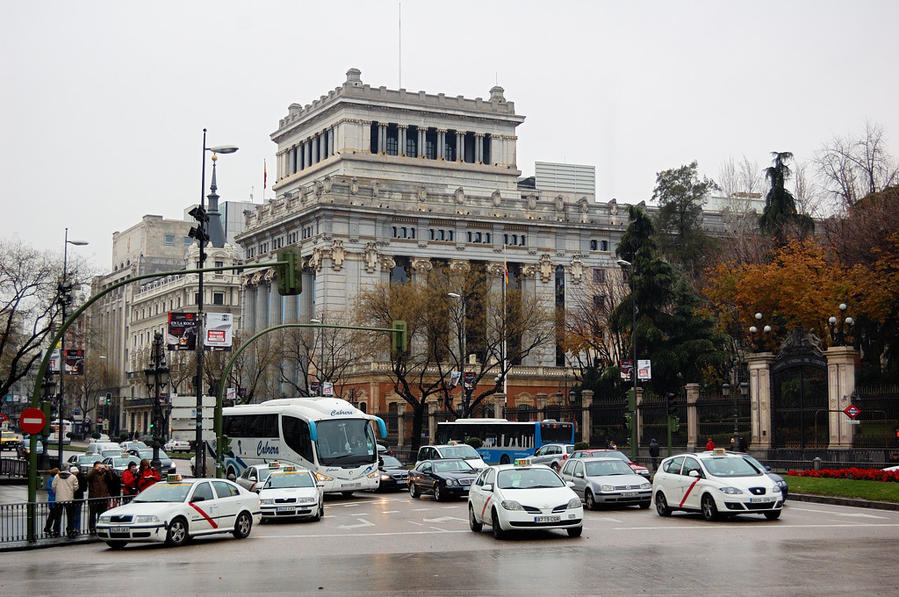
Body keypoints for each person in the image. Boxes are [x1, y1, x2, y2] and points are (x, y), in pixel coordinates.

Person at [52, 466, 79, 538]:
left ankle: (56, 530)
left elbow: (53, 486)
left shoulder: (57, 476)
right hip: (69, 499)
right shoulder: (73, 477)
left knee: (57, 516)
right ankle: (70, 530)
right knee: (70, 516)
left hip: (59, 499)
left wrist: (57, 493)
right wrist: (71, 491)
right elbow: (76, 487)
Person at [86, 461, 112, 534]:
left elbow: (110, 479)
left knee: (102, 514)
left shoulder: (104, 474)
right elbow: (87, 477)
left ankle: (101, 527)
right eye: (98, 467)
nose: (100, 468)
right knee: (92, 514)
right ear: (94, 467)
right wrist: (95, 470)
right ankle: (92, 528)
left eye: (100, 467)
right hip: (94, 497)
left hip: (103, 497)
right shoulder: (92, 474)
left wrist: (108, 471)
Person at [43, 467, 59, 537]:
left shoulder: (51, 479)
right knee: (55, 516)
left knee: (51, 515)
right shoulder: (54, 480)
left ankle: (47, 528)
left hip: (51, 499)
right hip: (54, 500)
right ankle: (54, 529)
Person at [72, 465, 87, 534]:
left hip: (74, 497)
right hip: (79, 497)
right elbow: (85, 488)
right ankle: (77, 528)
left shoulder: (73, 478)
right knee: (77, 514)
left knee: (74, 514)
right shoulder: (82, 477)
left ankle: (74, 528)